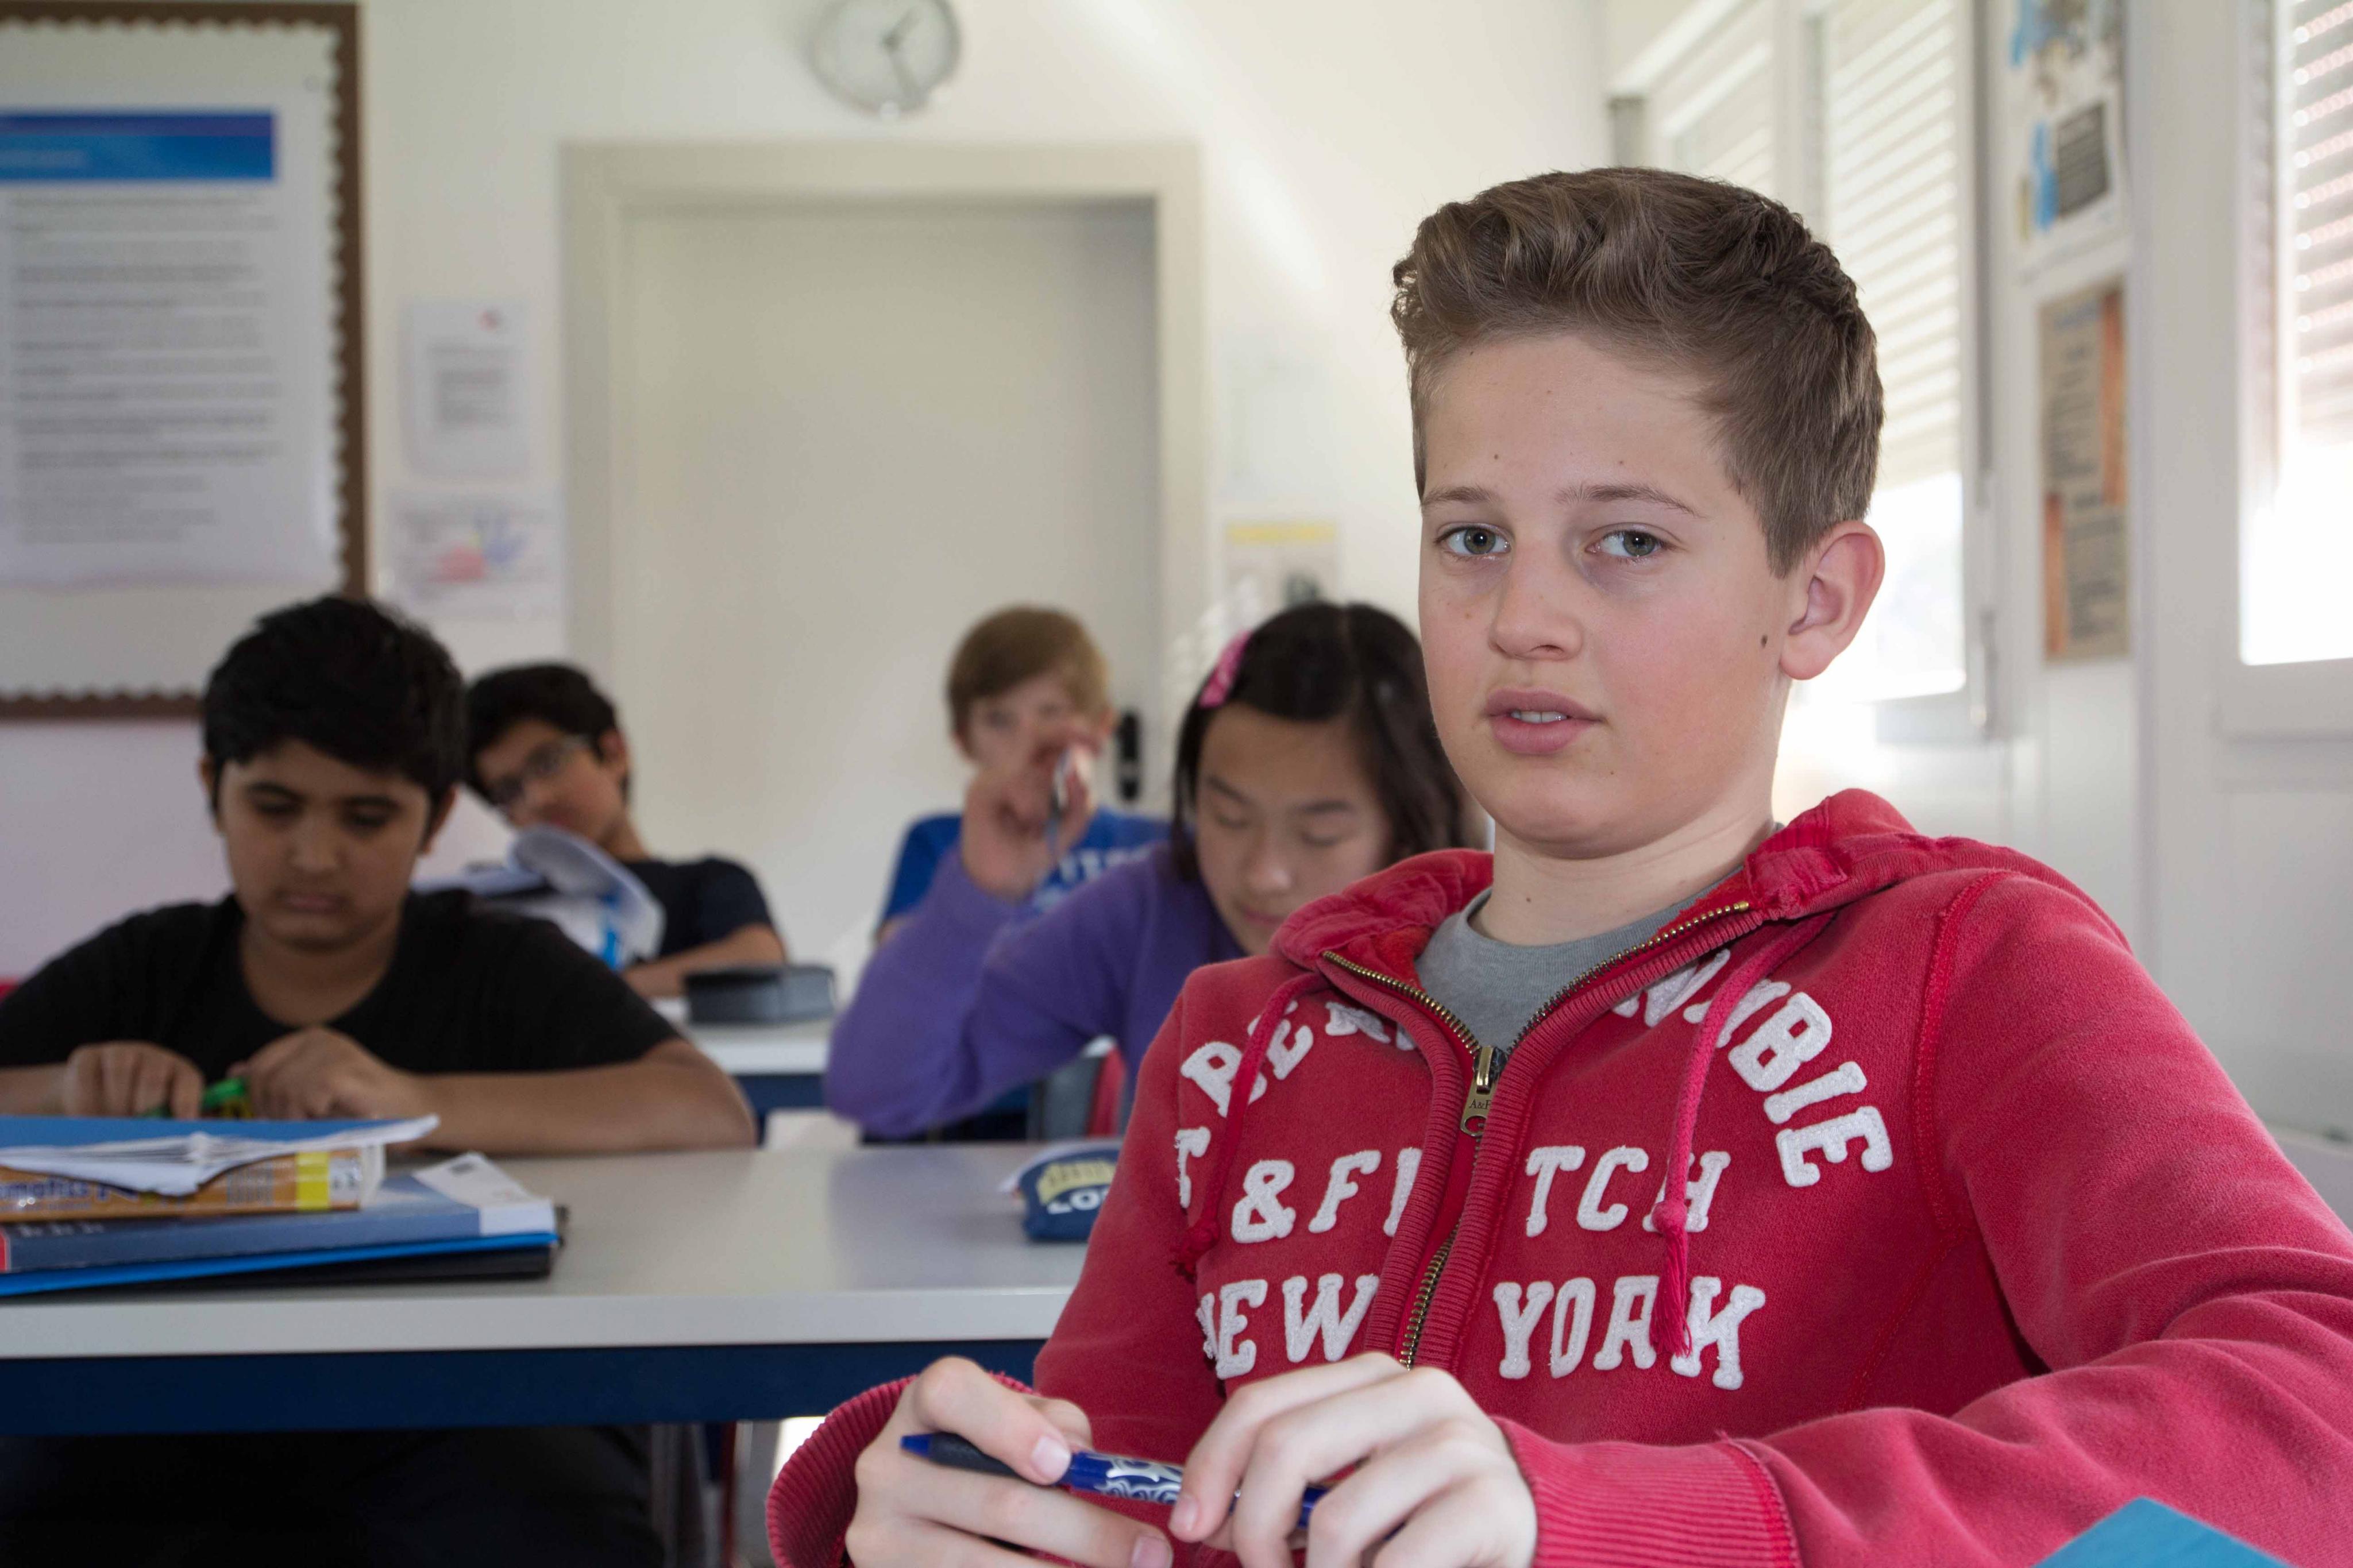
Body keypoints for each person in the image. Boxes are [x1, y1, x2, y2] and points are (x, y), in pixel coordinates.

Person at [770, 170, 2353, 1568]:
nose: (1522, 617)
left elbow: (2318, 1409)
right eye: (1473, 537)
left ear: (1814, 600)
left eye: (1627, 543)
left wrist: (1624, 1523)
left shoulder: (1967, 971)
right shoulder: (1235, 1041)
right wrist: (955, 1509)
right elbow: (1139, 1512)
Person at [0, 596, 752, 1566]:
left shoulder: (501, 965)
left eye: (367, 817)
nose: (315, 856)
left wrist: (411, 1099)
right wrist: (61, 1092)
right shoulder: (145, 968)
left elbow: (709, 1109)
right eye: (274, 807)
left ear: (435, 818)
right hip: (156, 1412)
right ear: (213, 787)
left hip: (467, 1410)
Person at [827, 601, 1476, 1142]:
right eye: (1227, 816)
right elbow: (877, 1092)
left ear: (1409, 826)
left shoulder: (1492, 937)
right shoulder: (1154, 908)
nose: (1264, 873)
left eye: (1320, 832)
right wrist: (979, 895)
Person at [465, 661, 789, 999]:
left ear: (614, 754)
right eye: (508, 791)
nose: (537, 798)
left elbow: (758, 959)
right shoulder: (491, 904)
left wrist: (576, 996)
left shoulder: (707, 883)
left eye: (548, 762)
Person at [875, 606, 1164, 943]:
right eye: (999, 720)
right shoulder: (937, 844)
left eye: (1052, 713)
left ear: (1101, 728)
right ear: (964, 741)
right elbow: (901, 970)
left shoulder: (1164, 845)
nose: (1029, 741)